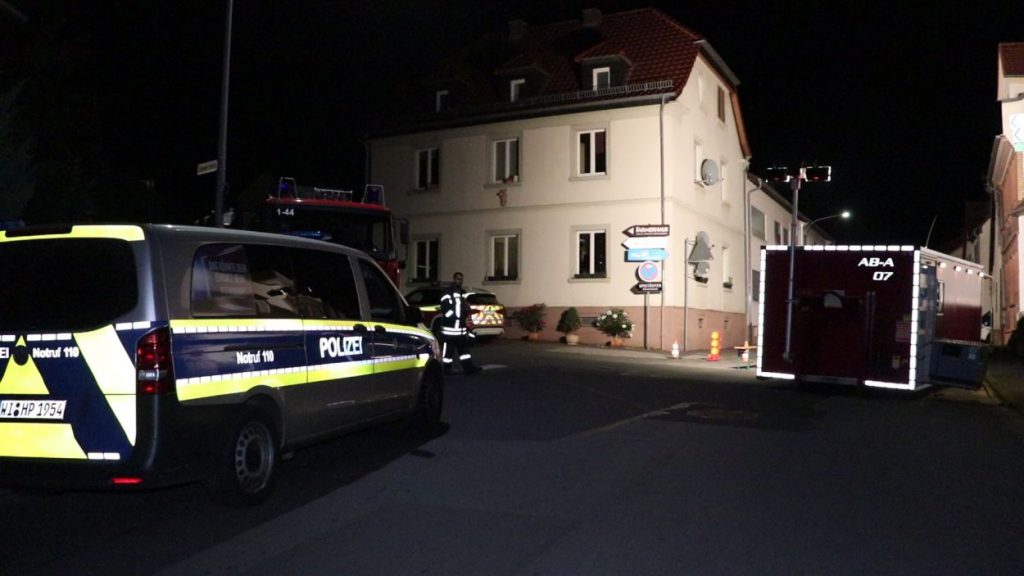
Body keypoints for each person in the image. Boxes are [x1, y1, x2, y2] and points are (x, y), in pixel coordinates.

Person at [439, 272, 481, 374]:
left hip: (460, 330)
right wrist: (455, 316)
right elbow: (445, 309)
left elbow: (462, 310)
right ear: (454, 279)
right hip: (450, 330)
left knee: (464, 352)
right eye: (458, 279)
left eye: (461, 279)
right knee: (448, 352)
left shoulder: (462, 294)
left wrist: (465, 314)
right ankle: (446, 370)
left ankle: (469, 368)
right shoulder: (447, 293)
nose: (460, 281)